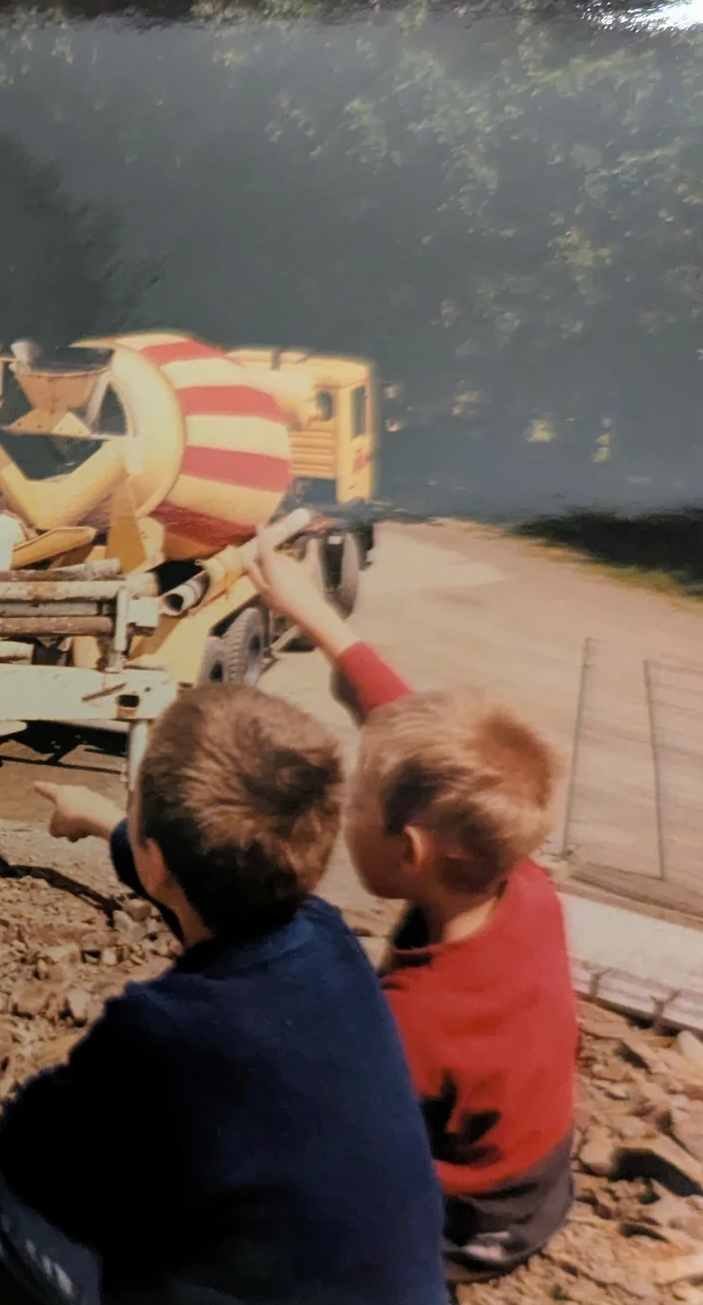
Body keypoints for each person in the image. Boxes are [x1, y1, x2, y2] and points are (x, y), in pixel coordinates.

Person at [0, 684, 448, 1305]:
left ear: (158, 863)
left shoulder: (163, 1028)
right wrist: (103, 823)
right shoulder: (329, 937)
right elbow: (203, 887)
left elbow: (27, 1152)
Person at [245, 529, 578, 1285]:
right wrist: (314, 614)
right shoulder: (513, 869)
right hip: (536, 1162)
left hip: (474, 1217)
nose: (345, 809)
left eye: (357, 805)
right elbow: (399, 718)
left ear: (412, 851)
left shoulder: (411, 1018)